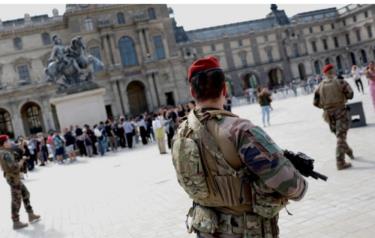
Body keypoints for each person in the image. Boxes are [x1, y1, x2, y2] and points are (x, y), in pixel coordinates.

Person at [172, 56, 308, 238]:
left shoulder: (182, 132)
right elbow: (293, 188)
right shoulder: (240, 130)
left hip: (206, 229)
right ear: (224, 88)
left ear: (192, 92)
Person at [313, 64, 355, 170]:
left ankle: (349, 151)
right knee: (341, 137)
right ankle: (340, 162)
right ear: (333, 71)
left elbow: (315, 102)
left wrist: (326, 106)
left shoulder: (320, 86)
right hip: (340, 111)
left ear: (325, 74)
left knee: (339, 136)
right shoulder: (340, 82)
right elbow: (350, 94)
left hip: (328, 115)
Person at [0, 135, 41, 229]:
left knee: (25, 193)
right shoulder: (4, 153)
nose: (10, 142)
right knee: (16, 200)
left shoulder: (4, 151)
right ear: (4, 143)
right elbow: (14, 167)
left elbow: (15, 153)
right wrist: (22, 160)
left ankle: (30, 215)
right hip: (13, 178)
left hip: (14, 178)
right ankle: (16, 222)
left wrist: (21, 147)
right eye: (8, 141)